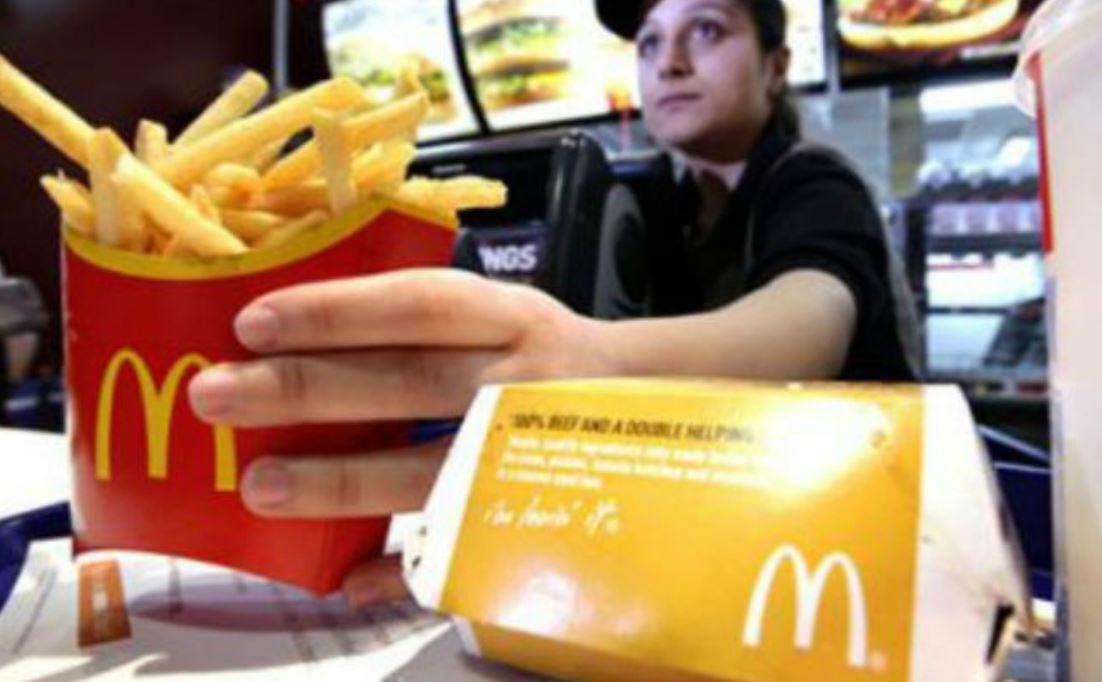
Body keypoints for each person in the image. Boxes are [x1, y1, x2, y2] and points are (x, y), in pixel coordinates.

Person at [188, 0, 919, 607]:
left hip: (868, 547)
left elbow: (806, 326)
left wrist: (585, 364)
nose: (668, 62)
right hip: (729, 538)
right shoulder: (668, 203)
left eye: (707, 30)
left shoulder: (814, 181)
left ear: (777, 65)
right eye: (649, 41)